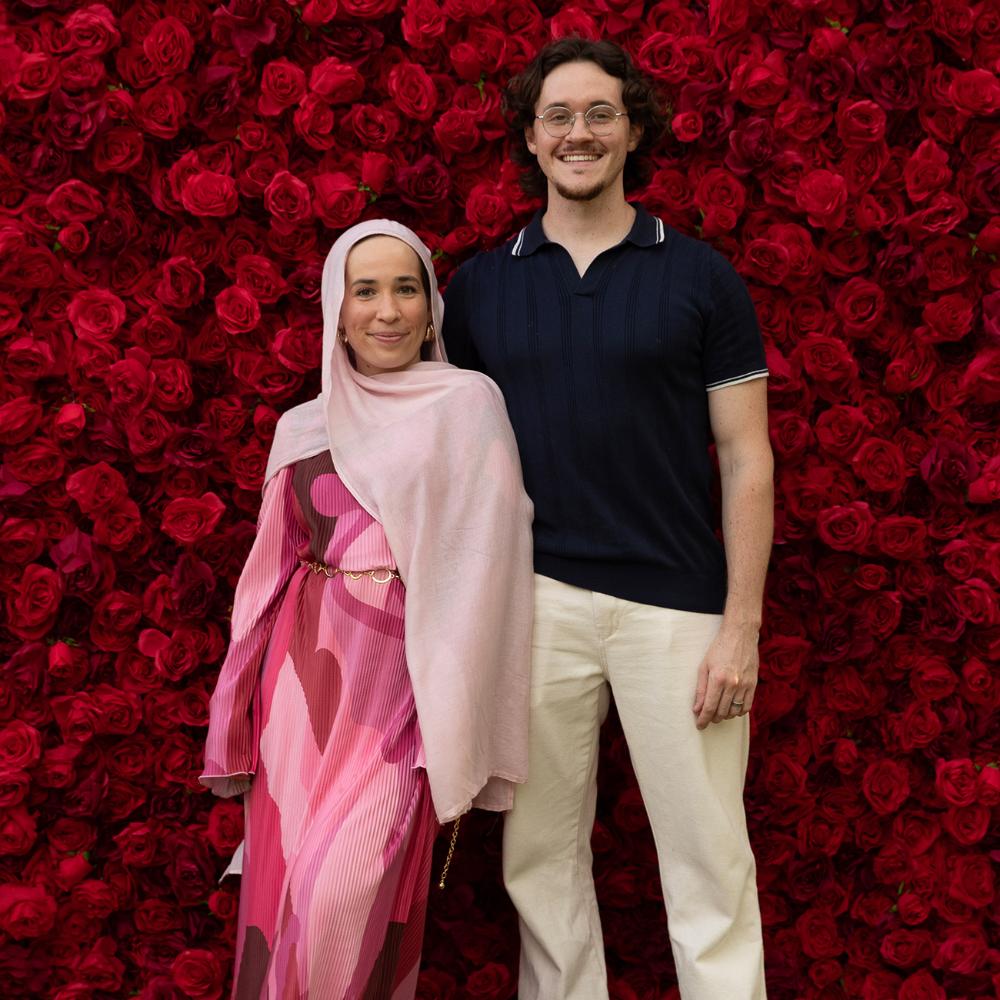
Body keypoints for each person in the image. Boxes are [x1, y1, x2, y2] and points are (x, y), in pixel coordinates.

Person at [442, 38, 772, 1000]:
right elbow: (448, 455)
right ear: (530, 141)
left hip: (679, 609)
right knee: (538, 863)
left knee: (710, 858)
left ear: (633, 132)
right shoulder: (479, 288)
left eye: (599, 113)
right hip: (533, 607)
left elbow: (747, 457)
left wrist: (741, 626)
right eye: (558, 116)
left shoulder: (701, 277)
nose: (578, 132)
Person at [200, 219, 534, 1000]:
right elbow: (263, 579)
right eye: (366, 290)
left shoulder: (468, 405)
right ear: (337, 312)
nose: (388, 310)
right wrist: (234, 719)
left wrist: (463, 720)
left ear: (430, 311)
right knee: (279, 901)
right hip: (299, 689)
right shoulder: (303, 426)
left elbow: (492, 568)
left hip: (407, 695)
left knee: (342, 897)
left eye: (407, 289)